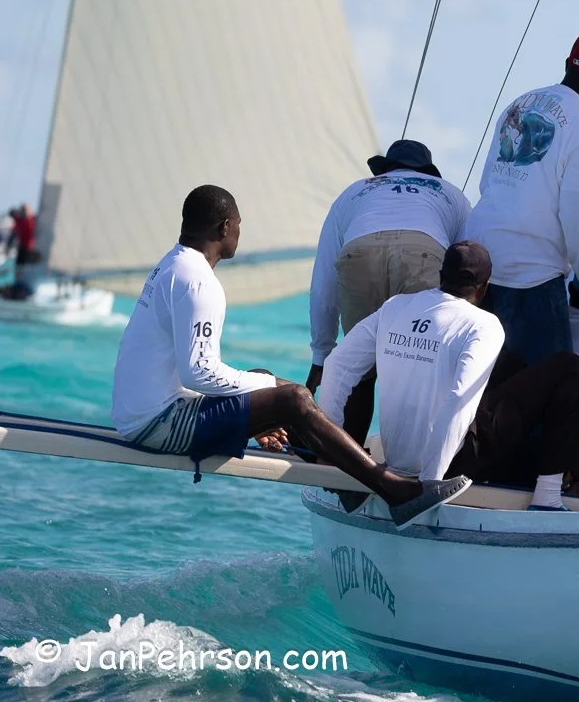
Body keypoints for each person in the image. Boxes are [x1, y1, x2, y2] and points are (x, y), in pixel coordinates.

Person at [110, 185, 467, 529]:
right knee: (294, 397)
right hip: (160, 424)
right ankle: (395, 489)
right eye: (238, 226)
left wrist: (262, 400)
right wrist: (273, 387)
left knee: (272, 385)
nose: (238, 233)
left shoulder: (173, 265)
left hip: (143, 413)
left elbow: (191, 374)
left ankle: (344, 482)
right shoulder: (198, 282)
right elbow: (198, 374)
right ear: (224, 228)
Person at [462, 32, 579, 368]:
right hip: (530, 277)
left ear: (568, 64)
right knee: (547, 390)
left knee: (481, 386)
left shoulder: (520, 103)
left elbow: (486, 182)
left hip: (478, 264)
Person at [307, 139, 471, 442]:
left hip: (360, 251)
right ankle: (410, 467)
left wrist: (321, 354)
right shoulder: (451, 194)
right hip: (423, 251)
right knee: (417, 371)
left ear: (385, 169)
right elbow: (468, 267)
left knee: (360, 369)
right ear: (428, 171)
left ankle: (350, 468)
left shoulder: (354, 191)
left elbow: (323, 282)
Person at [316, 241, 503, 500]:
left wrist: (331, 451)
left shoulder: (395, 306)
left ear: (440, 276)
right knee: (560, 371)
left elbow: (337, 365)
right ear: (484, 288)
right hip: (444, 471)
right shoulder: (485, 325)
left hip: (394, 461)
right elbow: (460, 398)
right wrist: (429, 483)